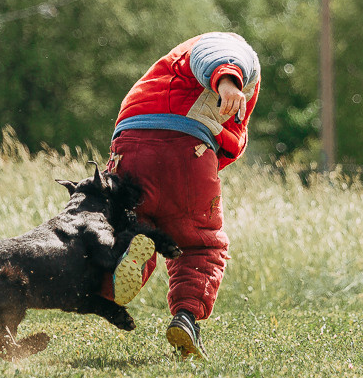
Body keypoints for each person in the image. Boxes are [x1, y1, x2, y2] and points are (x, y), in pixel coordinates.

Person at [102, 32, 260, 358]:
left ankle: (116, 264)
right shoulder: (231, 47)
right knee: (199, 244)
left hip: (128, 147)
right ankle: (186, 317)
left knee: (131, 226)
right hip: (185, 147)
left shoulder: (170, 67)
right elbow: (219, 52)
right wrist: (228, 80)